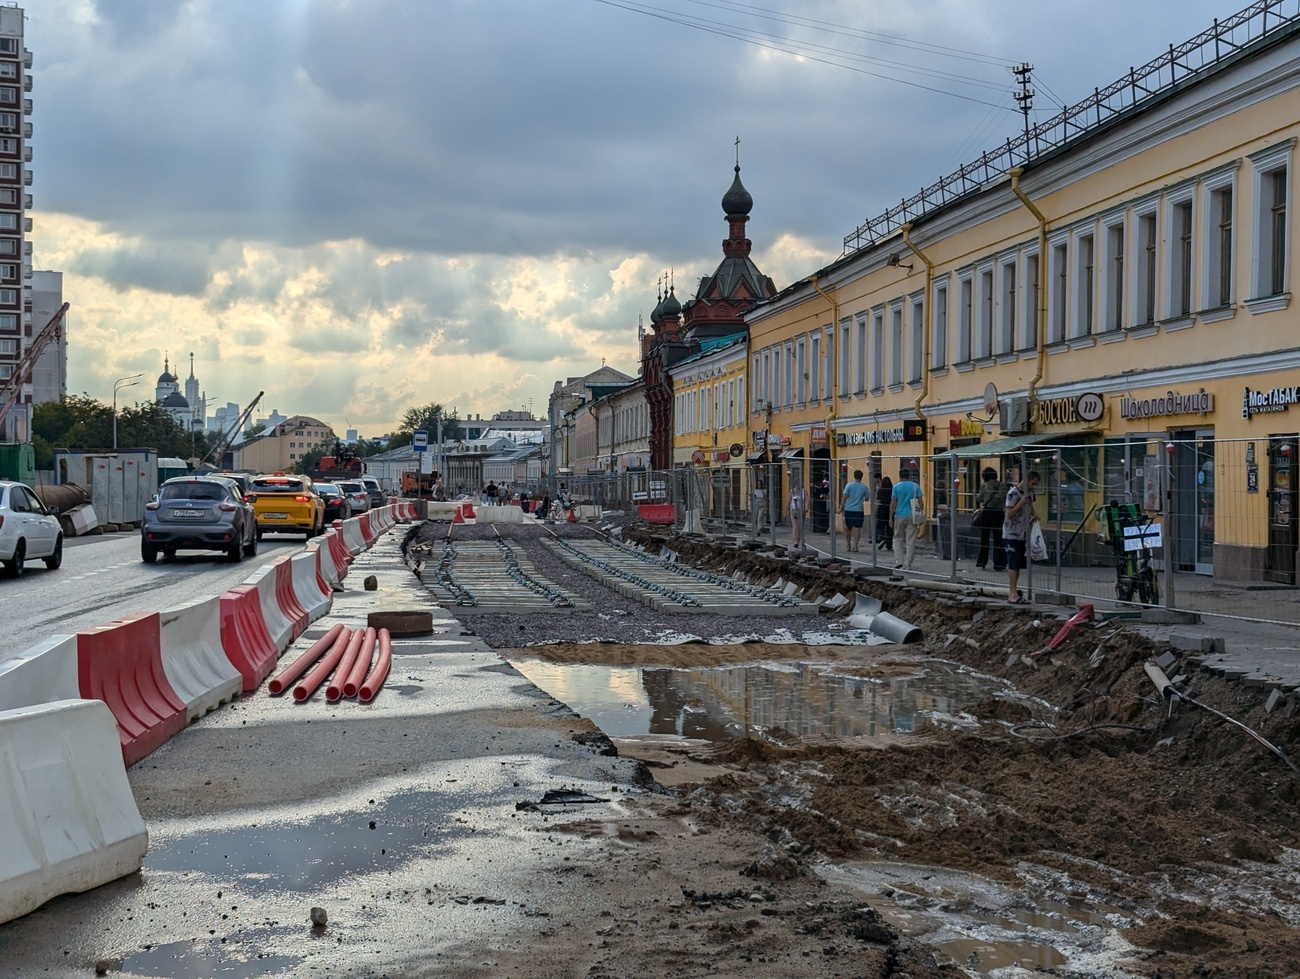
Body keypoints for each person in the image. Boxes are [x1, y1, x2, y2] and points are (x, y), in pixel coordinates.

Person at [1003, 470, 1041, 604]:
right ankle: (1012, 593)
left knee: (1018, 564)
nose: (1033, 487)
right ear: (1026, 480)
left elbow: (1030, 506)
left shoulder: (1029, 493)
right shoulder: (1013, 493)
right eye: (1032, 483)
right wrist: (1021, 503)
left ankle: (1014, 591)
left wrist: (1034, 514)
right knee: (1013, 563)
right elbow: (1009, 514)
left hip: (1023, 533)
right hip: (1011, 533)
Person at [889, 468, 924, 571]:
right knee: (911, 540)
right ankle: (908, 564)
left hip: (900, 514)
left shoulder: (896, 487)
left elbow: (893, 503)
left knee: (897, 538)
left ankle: (899, 561)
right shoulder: (915, 486)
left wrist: (890, 517)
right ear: (908, 476)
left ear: (900, 476)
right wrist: (920, 513)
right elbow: (921, 502)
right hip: (912, 515)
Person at [973, 467, 1005, 571]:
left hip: (987, 512)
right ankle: (999, 564)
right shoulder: (1002, 486)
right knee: (998, 539)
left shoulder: (984, 486)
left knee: (984, 538)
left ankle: (982, 561)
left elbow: (979, 498)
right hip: (999, 513)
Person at [840, 469, 870, 552]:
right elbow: (867, 499)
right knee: (857, 529)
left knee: (847, 528)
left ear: (854, 476)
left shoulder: (849, 485)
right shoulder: (864, 487)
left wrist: (841, 507)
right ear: (861, 477)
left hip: (849, 509)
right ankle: (855, 546)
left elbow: (845, 497)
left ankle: (848, 544)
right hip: (859, 510)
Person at [874, 475, 893, 552]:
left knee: (880, 526)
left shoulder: (881, 491)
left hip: (882, 510)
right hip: (890, 510)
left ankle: (882, 538)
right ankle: (889, 545)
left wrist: (875, 511)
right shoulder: (892, 490)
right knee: (889, 528)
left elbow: (878, 502)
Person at [789, 481, 808, 548]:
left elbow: (807, 500)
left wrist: (806, 508)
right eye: (797, 483)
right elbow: (789, 501)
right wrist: (787, 510)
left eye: (800, 483)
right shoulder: (792, 491)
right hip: (794, 510)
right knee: (795, 525)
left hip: (801, 510)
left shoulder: (804, 492)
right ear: (794, 484)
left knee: (801, 526)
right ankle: (795, 540)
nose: (798, 485)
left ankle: (799, 540)